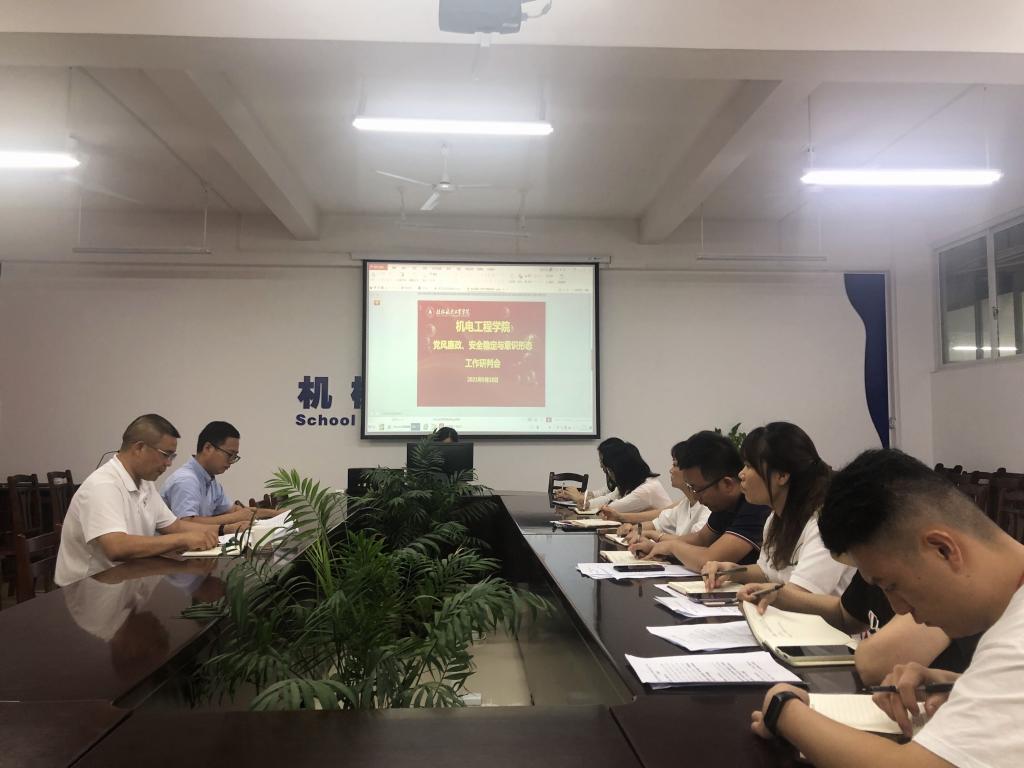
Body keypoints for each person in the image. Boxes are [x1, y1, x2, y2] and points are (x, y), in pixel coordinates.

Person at [751, 449, 1024, 767]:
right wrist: (959, 685)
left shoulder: (1015, 642)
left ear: (943, 549)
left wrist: (784, 709)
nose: (899, 609)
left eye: (892, 586)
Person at [55, 414, 220, 586]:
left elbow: (175, 526)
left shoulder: (144, 483)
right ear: (139, 448)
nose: (169, 463)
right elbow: (116, 547)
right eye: (166, 455)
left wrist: (221, 532)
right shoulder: (103, 485)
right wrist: (182, 539)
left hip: (126, 581)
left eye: (172, 457)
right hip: (88, 590)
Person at [702, 422, 855, 602]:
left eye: (749, 466)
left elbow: (802, 594)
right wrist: (732, 570)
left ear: (782, 476)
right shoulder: (776, 518)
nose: (741, 474)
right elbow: (767, 573)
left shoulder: (823, 522)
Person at [632, 431, 771, 570]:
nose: (696, 497)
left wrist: (671, 546)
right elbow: (701, 539)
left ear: (727, 484)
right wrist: (657, 547)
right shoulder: (724, 504)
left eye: (697, 489)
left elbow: (708, 558)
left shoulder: (756, 506)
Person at [161, 421, 277, 526]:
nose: (231, 461)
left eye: (234, 457)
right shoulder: (185, 480)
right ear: (208, 448)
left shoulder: (210, 479)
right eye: (229, 454)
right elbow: (186, 523)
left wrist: (277, 513)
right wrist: (234, 518)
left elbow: (235, 510)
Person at [617, 440, 711, 543]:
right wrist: (633, 529)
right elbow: (657, 524)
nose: (671, 470)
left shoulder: (708, 507)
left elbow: (694, 541)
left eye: (675, 465)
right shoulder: (685, 503)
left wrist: (651, 534)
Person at [584, 442, 673, 522]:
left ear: (621, 470)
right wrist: (588, 504)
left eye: (610, 471)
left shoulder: (646, 489)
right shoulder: (632, 483)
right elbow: (609, 498)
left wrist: (589, 505)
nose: (610, 474)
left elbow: (609, 511)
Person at [554, 436, 626, 506]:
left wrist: (579, 497)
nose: (601, 466)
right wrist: (570, 495)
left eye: (602, 461)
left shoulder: (624, 480)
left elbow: (608, 500)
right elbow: (599, 494)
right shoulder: (612, 479)